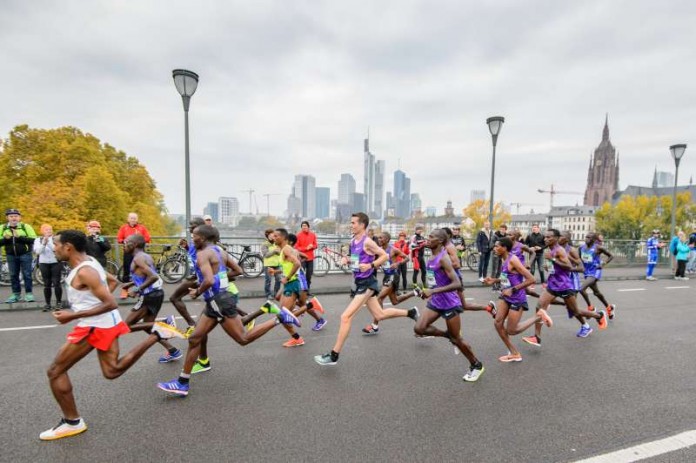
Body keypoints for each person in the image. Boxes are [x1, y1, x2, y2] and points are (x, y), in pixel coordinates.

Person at [41, 230, 182, 441]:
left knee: (55, 371)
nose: (54, 248)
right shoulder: (90, 262)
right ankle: (157, 334)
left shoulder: (84, 271)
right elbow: (113, 281)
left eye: (56, 244)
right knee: (112, 370)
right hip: (105, 323)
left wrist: (73, 315)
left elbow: (110, 302)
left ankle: (72, 422)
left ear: (68, 247)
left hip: (93, 326)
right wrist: (95, 298)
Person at [156, 225, 300, 396]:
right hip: (218, 299)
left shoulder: (203, 254)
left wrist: (198, 291)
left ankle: (279, 318)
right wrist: (219, 280)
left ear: (202, 238)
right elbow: (237, 271)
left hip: (218, 301)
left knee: (243, 339)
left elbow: (208, 280)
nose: (191, 238)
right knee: (195, 338)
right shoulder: (219, 251)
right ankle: (182, 382)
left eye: (194, 235)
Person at [314, 213, 420, 366]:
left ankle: (334, 355)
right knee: (380, 314)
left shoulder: (367, 242)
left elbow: (384, 255)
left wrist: (371, 265)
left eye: (354, 223)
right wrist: (347, 259)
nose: (351, 225)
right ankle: (411, 313)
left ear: (362, 225)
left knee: (345, 317)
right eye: (351, 223)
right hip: (360, 282)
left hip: (367, 284)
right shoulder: (353, 241)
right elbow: (356, 260)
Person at [413, 229, 486, 382]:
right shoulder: (431, 257)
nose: (428, 238)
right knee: (419, 328)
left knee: (457, 340)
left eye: (431, 237)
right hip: (436, 301)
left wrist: (433, 290)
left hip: (449, 303)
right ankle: (450, 335)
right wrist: (427, 291)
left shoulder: (443, 258)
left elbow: (456, 283)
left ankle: (476, 365)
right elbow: (435, 280)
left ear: (439, 241)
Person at [522, 229, 607, 346]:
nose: (545, 239)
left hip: (565, 285)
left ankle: (598, 315)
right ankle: (537, 337)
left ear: (558, 238)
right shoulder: (551, 249)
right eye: (545, 237)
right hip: (553, 283)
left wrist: (552, 259)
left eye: (548, 237)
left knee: (574, 311)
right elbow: (556, 265)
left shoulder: (562, 250)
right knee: (539, 307)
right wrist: (550, 267)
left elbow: (569, 266)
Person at [484, 237, 553, 363]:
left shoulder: (513, 259)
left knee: (511, 330)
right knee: (498, 323)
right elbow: (508, 276)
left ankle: (538, 317)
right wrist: (495, 280)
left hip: (516, 297)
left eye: (497, 246)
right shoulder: (504, 259)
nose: (494, 248)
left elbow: (531, 279)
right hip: (506, 296)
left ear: (504, 248)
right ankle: (515, 353)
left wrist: (513, 289)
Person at [120, 234, 183, 361]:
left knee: (126, 326)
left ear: (135, 244)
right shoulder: (145, 256)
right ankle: (173, 350)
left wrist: (137, 289)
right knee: (148, 327)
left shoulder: (138, 259)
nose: (124, 245)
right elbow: (146, 275)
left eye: (127, 242)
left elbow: (154, 277)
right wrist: (131, 283)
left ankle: (165, 324)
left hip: (149, 295)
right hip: (156, 294)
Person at [362, 231, 417, 335]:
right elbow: (378, 263)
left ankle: (375, 325)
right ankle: (414, 293)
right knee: (395, 301)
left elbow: (407, 258)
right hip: (386, 276)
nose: (379, 239)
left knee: (379, 298)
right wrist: (376, 266)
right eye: (378, 238)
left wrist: (397, 263)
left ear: (387, 239)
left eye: (381, 238)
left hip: (393, 276)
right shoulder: (379, 250)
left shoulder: (393, 249)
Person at [1, 209, 37, 303]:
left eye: (16, 216)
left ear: (19, 217)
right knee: (13, 275)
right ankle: (16, 294)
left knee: (27, 274)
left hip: (25, 254)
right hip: (11, 255)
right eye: (11, 216)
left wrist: (19, 237)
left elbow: (34, 240)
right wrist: (5, 239)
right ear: (7, 218)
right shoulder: (3, 227)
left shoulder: (26, 227)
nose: (14, 218)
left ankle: (29, 294)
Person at [578, 232, 616, 319]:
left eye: (589, 238)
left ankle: (591, 308)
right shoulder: (581, 248)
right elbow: (579, 259)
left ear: (594, 240)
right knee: (596, 293)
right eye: (586, 237)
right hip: (587, 272)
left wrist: (603, 264)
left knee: (581, 288)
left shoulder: (598, 248)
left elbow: (611, 256)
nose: (586, 239)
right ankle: (609, 307)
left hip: (595, 271)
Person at [116, 212, 151, 299]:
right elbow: (119, 238)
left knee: (141, 270)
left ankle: (141, 289)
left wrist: (139, 241)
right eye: (131, 218)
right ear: (128, 219)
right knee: (126, 270)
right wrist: (124, 241)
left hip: (139, 253)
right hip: (128, 251)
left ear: (137, 219)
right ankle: (125, 290)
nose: (133, 220)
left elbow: (148, 238)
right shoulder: (124, 228)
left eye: (135, 218)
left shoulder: (141, 228)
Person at [34, 224, 63, 311]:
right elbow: (38, 251)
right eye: (46, 230)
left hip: (55, 262)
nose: (49, 231)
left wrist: (48, 242)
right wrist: (43, 243)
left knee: (56, 282)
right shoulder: (38, 240)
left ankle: (58, 302)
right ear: (42, 231)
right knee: (47, 284)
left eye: (50, 229)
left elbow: (56, 249)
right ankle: (48, 304)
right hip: (44, 263)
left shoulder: (56, 239)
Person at [295, 221, 318, 293]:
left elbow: (316, 245)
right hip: (302, 258)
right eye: (303, 226)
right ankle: (301, 290)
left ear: (308, 227)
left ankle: (307, 290)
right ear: (301, 227)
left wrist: (312, 246)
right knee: (301, 275)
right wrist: (306, 248)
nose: (304, 227)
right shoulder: (298, 235)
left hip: (310, 258)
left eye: (305, 226)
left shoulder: (313, 235)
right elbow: (296, 247)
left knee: (309, 275)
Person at [262, 228, 282, 300]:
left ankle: (276, 293)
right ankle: (268, 294)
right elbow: (266, 254)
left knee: (278, 279)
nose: (273, 236)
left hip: (277, 264)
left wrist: (278, 251)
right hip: (268, 265)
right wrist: (274, 251)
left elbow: (280, 253)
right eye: (271, 235)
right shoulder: (265, 244)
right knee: (268, 280)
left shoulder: (276, 243)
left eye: (274, 235)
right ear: (267, 235)